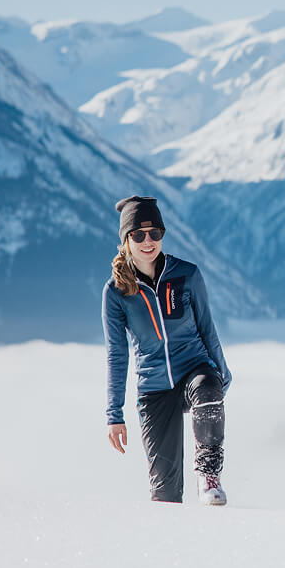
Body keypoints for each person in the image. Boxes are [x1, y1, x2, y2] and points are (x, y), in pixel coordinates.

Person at [102, 196, 232, 505]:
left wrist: (221, 374)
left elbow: (207, 327)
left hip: (194, 369)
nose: (148, 241)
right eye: (138, 234)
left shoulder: (186, 274)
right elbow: (117, 355)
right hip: (154, 389)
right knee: (165, 494)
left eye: (155, 233)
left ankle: (209, 475)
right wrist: (113, 414)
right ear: (126, 239)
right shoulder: (115, 292)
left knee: (207, 388)